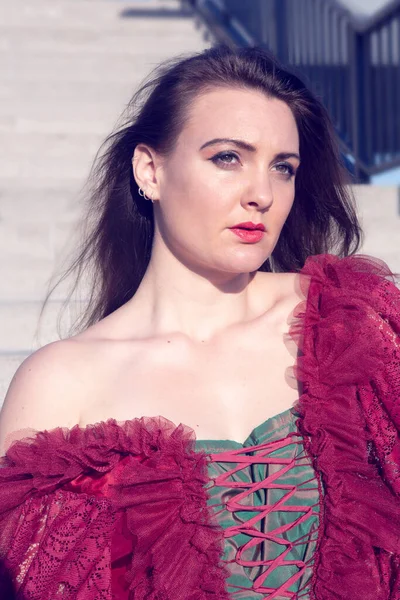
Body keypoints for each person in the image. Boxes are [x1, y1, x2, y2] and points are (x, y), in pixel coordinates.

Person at [0, 43, 399, 600]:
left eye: (282, 168)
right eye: (228, 158)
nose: (261, 194)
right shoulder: (60, 383)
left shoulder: (350, 322)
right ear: (150, 170)